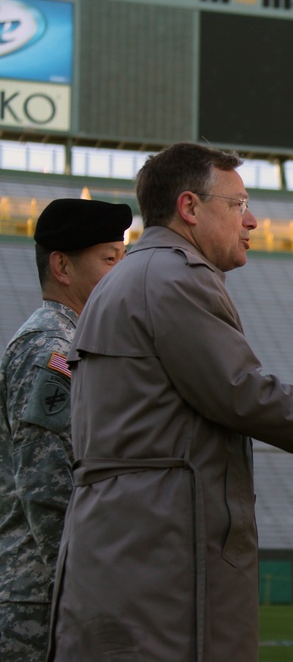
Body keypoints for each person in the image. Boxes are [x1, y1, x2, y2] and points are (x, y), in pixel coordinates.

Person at [46, 142, 293, 661]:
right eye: (237, 205)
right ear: (190, 208)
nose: (252, 220)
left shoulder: (125, 278)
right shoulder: (175, 277)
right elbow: (242, 392)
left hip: (125, 549)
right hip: (164, 562)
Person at [0, 199, 131, 660]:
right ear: (61, 266)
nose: (121, 273)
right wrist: (86, 597)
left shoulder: (75, 344)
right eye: (109, 259)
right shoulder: (50, 353)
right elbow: (48, 487)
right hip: (38, 603)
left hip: (49, 596)